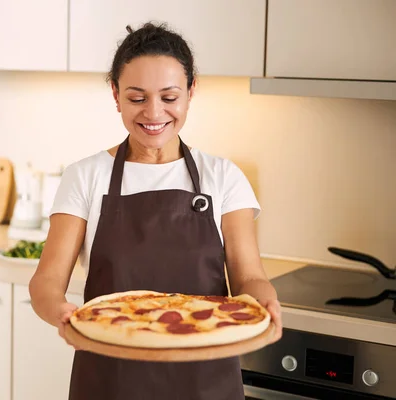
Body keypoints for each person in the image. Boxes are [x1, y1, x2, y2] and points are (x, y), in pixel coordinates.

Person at [28, 21, 283, 400]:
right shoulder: (84, 177)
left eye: (169, 97)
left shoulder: (223, 177)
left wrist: (264, 300)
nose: (153, 113)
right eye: (136, 98)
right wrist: (61, 313)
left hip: (206, 380)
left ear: (191, 92)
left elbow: (248, 278)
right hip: (111, 379)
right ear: (115, 94)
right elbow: (45, 283)